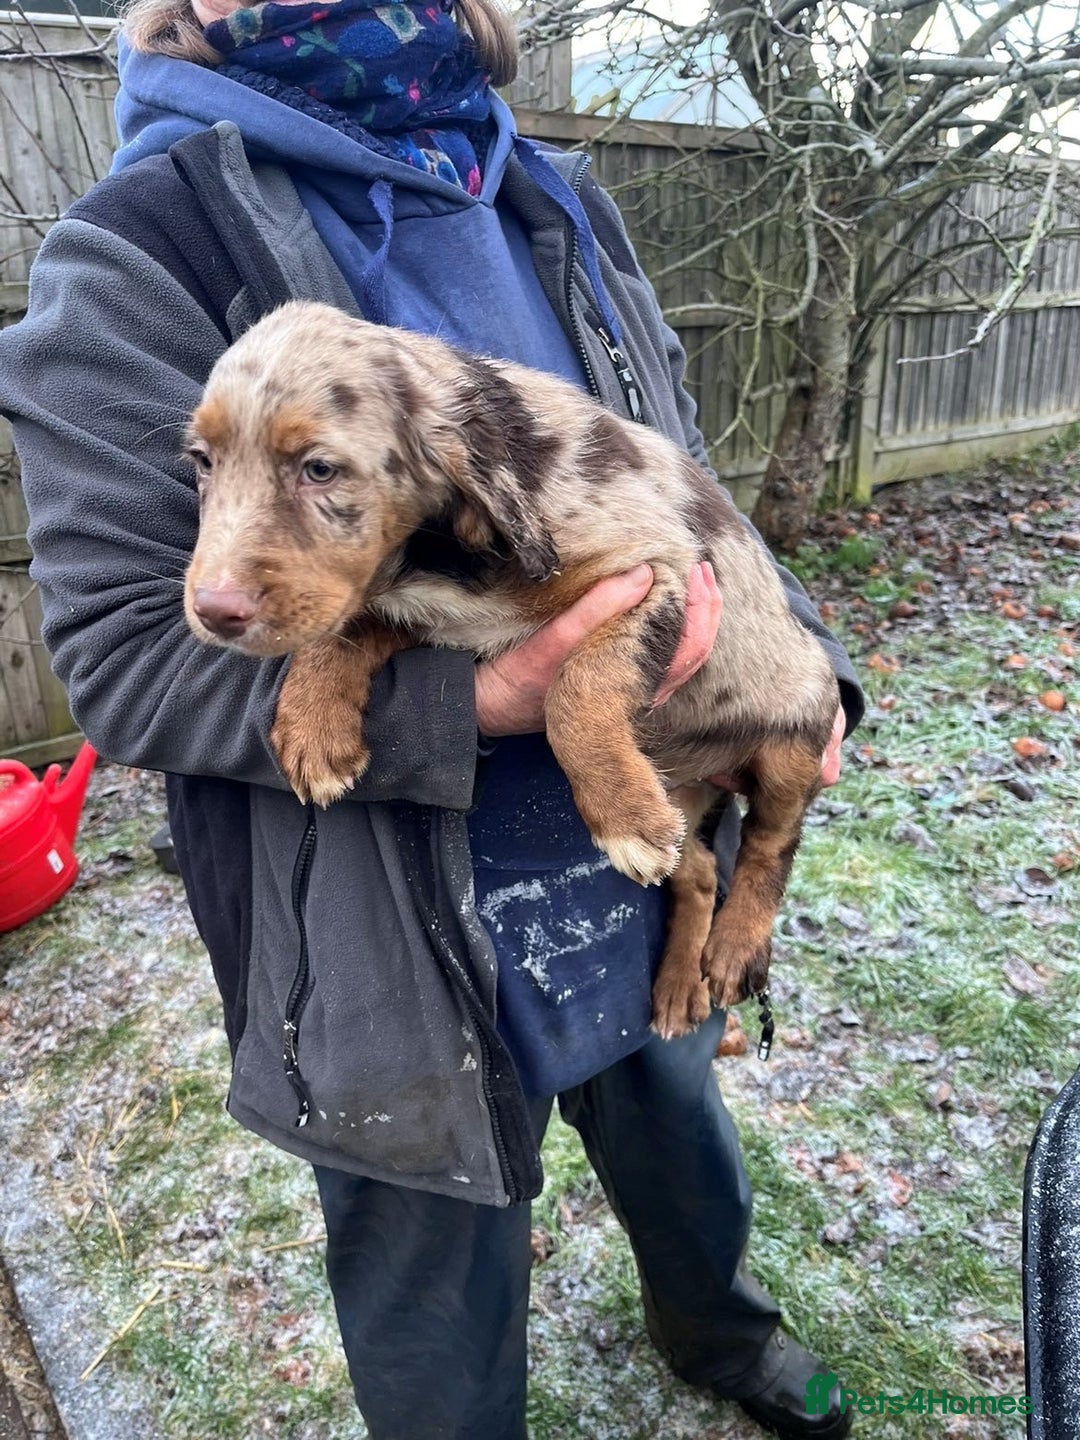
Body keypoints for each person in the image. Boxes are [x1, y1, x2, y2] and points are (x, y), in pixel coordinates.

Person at [0, 0, 863, 1434]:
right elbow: (119, 656)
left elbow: (685, 482)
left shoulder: (545, 194)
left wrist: (813, 670)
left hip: (643, 848)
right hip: (388, 941)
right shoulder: (135, 256)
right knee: (432, 1301)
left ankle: (716, 1330)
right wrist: (486, 701)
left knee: (680, 1133)